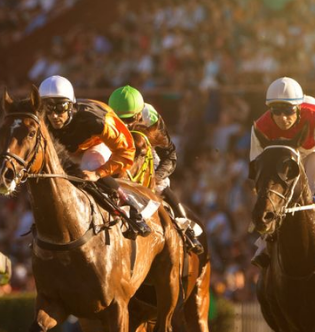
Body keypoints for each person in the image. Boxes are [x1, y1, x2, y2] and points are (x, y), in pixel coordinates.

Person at [250, 77, 315, 268]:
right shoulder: (261, 127)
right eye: (276, 111)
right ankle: (265, 243)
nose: (282, 118)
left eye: (288, 110)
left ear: (298, 108)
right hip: (293, 156)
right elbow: (257, 164)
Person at [38, 75, 152, 238]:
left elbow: (126, 151)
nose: (54, 115)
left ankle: (132, 207)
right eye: (48, 108)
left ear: (71, 105)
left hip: (97, 145)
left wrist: (97, 174)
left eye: (60, 108)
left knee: (88, 167)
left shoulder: (96, 120)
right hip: (69, 150)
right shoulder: (42, 120)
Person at [108, 85, 204, 254]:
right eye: (120, 119)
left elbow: (170, 155)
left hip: (146, 149)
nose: (125, 125)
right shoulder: (106, 117)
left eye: (130, 119)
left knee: (161, 186)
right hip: (117, 152)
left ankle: (186, 229)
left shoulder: (151, 117)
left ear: (139, 114)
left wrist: (156, 177)